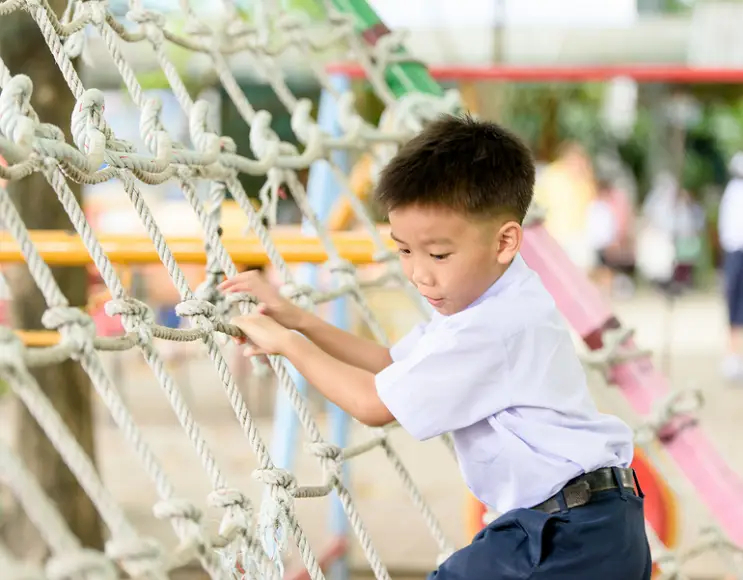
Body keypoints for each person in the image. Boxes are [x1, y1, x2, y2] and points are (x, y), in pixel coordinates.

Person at [220, 115, 650, 579]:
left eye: (439, 254)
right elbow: (390, 364)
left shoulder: (492, 327)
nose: (420, 274)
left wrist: (287, 344)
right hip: (589, 525)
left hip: (566, 535)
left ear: (505, 241)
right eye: (404, 250)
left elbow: (372, 403)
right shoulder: (490, 302)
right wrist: (300, 321)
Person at [719, 153, 743, 383]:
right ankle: (733, 356)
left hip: (735, 253)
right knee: (735, 306)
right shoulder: (734, 192)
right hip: (736, 253)